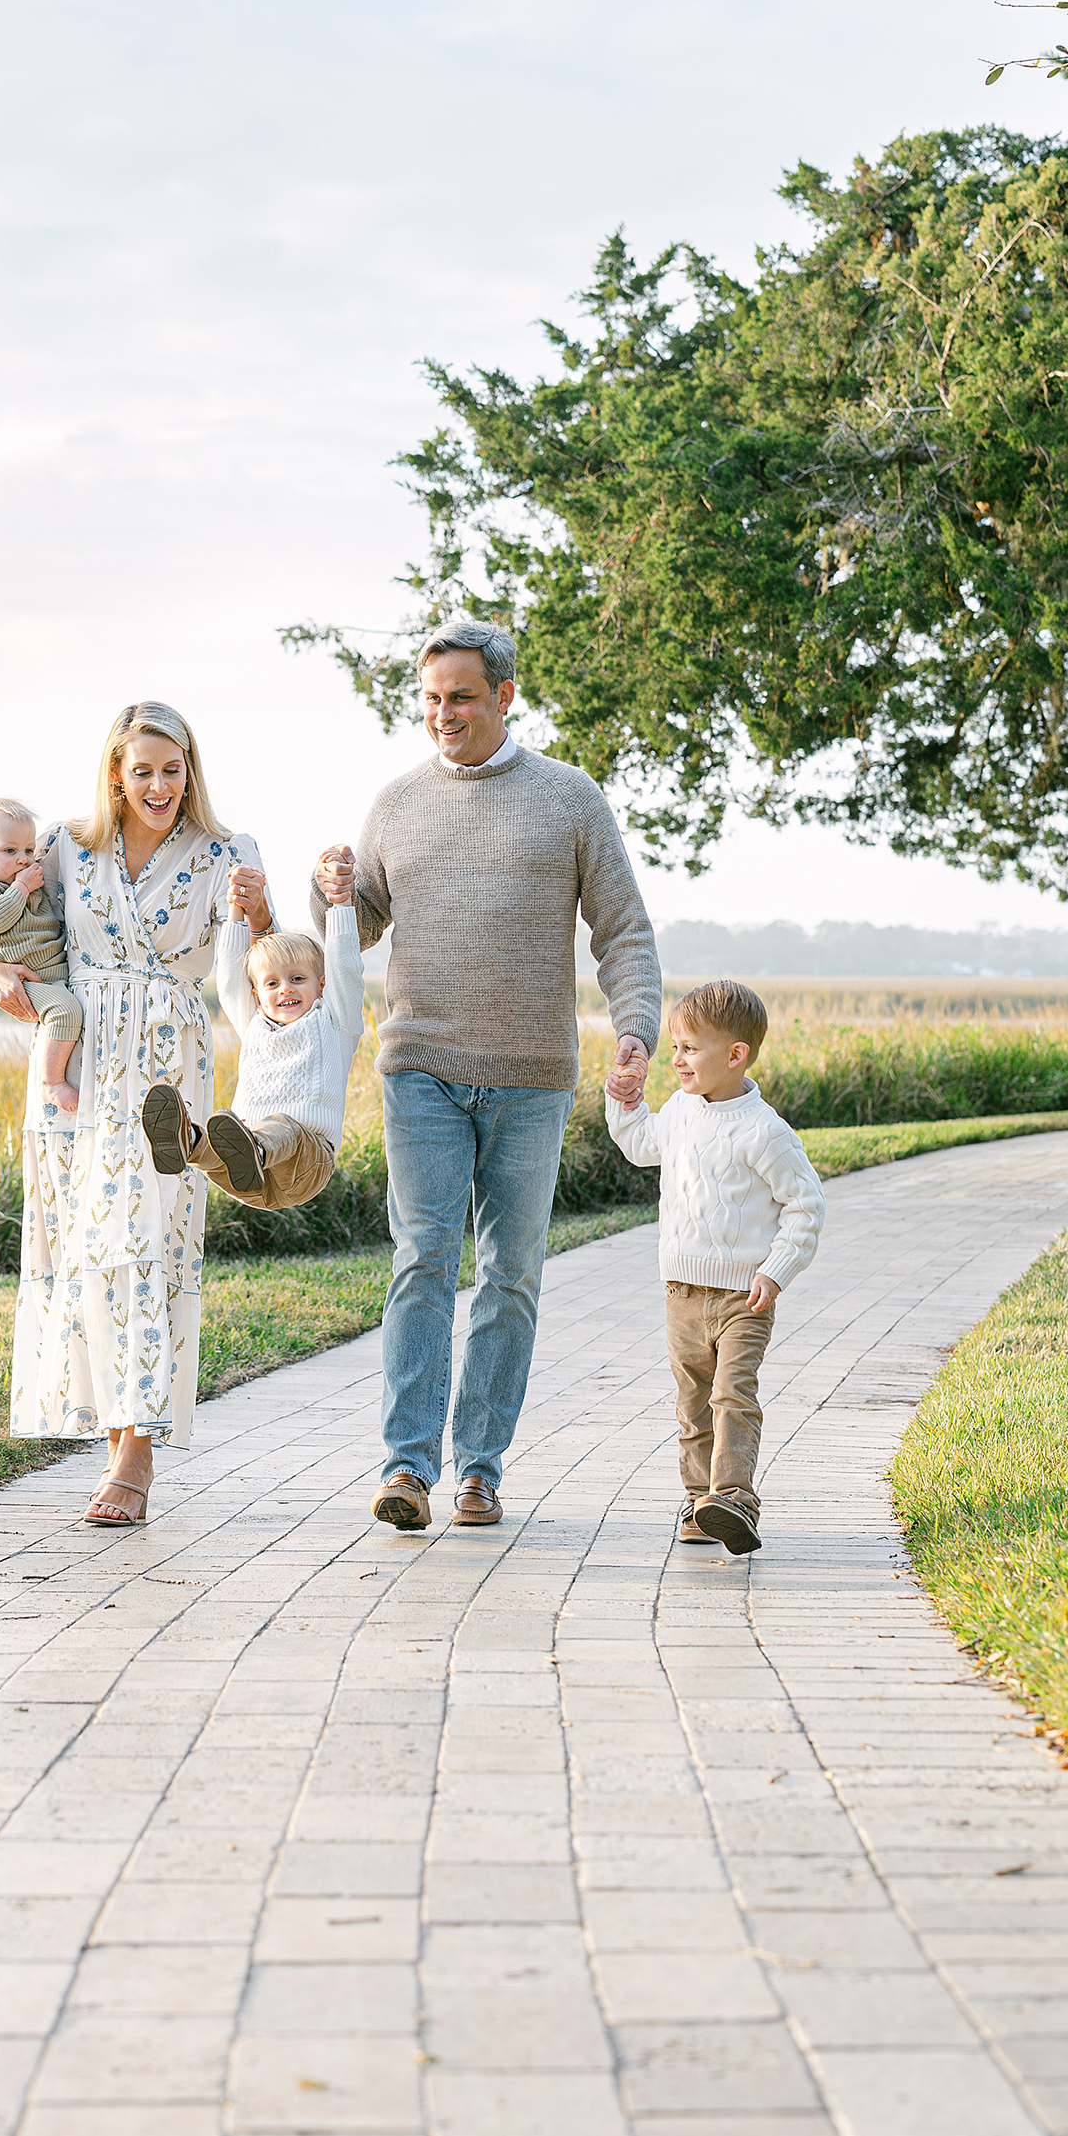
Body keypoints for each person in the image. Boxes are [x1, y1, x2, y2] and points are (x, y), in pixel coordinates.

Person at [313, 615, 660, 1531]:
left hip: (531, 1074)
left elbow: (621, 929)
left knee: (510, 1271)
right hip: (419, 1063)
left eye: (460, 697)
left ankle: (479, 1469)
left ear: (504, 695)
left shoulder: (569, 799)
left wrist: (635, 1030)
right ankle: (405, 1467)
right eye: (429, 699)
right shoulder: (395, 803)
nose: (442, 714)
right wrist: (330, 895)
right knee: (422, 1256)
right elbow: (360, 928)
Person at [0, 703, 271, 1526]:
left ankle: (135, 1457)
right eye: (140, 770)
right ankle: (113, 1439)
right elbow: (11, 922)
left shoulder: (227, 854)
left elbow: (265, 970)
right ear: (116, 771)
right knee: (85, 1253)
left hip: (165, 1065)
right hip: (76, 1063)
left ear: (190, 770)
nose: (156, 785)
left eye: (170, 769)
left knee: (145, 1245)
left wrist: (259, 912)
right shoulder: (66, 847)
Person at [605, 979, 824, 1554]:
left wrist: (775, 1270)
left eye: (689, 1049)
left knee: (732, 1393)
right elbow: (640, 1144)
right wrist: (625, 1101)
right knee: (692, 1401)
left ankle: (733, 1497)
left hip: (742, 1298)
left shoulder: (764, 1131)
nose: (676, 1060)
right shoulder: (678, 1111)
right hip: (681, 1291)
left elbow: (806, 1205)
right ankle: (699, 1500)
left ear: (735, 1055)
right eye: (674, 1048)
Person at [142, 859, 364, 1208]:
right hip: (247, 1178)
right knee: (213, 1140)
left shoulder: (335, 1023)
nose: (284, 990)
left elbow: (346, 967)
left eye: (297, 979)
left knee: (284, 1127)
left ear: (321, 986)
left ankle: (254, 1146)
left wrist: (340, 904)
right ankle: (186, 1140)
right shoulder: (254, 1024)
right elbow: (231, 977)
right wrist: (234, 911)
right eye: (272, 983)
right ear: (256, 995)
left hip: (303, 1165)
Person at [0, 798, 82, 1114]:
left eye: (29, 850)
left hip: (56, 972)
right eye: (9, 851)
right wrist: (22, 889)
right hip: (30, 980)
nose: (23, 860)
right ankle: (51, 1082)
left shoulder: (27, 880)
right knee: (65, 1011)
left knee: (68, 1010)